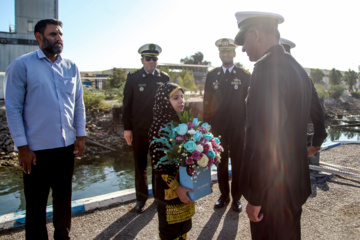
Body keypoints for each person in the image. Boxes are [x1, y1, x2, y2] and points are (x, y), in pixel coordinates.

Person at [234, 11, 327, 239]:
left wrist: (255, 197)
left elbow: (264, 139)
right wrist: (316, 142)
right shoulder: (297, 69)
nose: (243, 49)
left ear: (255, 33)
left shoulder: (266, 71)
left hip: (272, 193)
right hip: (294, 186)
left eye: (243, 41)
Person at [4, 19, 86, 240]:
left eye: (60, 34)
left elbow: (78, 103)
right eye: (52, 34)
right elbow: (12, 109)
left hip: (66, 148)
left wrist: (81, 135)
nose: (58, 38)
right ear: (39, 37)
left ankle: (63, 237)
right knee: (36, 205)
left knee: (63, 200)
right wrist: (22, 147)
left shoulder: (71, 67)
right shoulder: (22, 66)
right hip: (35, 151)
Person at [203, 38, 250, 212]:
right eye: (223, 52)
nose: (226, 54)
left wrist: (248, 126)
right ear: (219, 54)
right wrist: (205, 127)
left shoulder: (245, 75)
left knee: (238, 164)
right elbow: (206, 102)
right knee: (220, 163)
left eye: (229, 51)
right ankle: (224, 195)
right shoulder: (212, 75)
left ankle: (236, 198)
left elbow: (250, 103)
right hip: (218, 129)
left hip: (238, 128)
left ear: (234, 53)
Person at [122, 43, 170, 213]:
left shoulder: (164, 78)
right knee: (140, 165)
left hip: (160, 131)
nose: (151, 61)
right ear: (141, 59)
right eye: (148, 58)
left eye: (154, 58)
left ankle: (159, 197)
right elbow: (126, 105)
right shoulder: (133, 78)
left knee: (159, 165)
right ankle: (141, 199)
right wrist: (127, 128)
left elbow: (169, 106)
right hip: (139, 130)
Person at [149, 82, 194, 240]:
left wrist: (200, 178)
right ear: (164, 101)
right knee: (170, 230)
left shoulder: (182, 124)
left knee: (184, 226)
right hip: (168, 188)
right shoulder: (158, 128)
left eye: (182, 96)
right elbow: (158, 167)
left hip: (185, 183)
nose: (181, 100)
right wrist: (178, 188)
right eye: (175, 98)